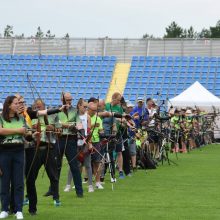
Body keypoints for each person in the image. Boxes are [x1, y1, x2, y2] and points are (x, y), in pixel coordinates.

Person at [45, 92, 83, 198]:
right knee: (56, 166)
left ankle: (79, 191)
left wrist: (79, 129)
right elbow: (52, 124)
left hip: (71, 141)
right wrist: (66, 125)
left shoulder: (75, 111)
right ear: (62, 100)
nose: (69, 102)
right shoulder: (57, 111)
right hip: (59, 139)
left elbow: (79, 124)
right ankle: (52, 190)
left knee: (74, 166)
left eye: (71, 100)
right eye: (67, 100)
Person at [0, 96, 30, 220]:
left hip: (19, 151)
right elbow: (0, 131)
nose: (19, 105)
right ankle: (4, 209)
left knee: (18, 182)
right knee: (4, 181)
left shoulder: (22, 117)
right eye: (16, 103)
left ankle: (18, 210)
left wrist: (28, 132)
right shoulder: (1, 118)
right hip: (4, 152)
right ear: (9, 105)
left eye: (19, 103)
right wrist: (18, 130)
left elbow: (26, 132)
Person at [87, 102, 104, 189]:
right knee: (84, 163)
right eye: (93, 110)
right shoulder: (84, 117)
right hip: (85, 141)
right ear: (88, 109)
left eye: (95, 110)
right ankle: (81, 181)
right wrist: (93, 125)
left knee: (97, 162)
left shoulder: (98, 119)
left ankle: (97, 182)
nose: (94, 112)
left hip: (96, 141)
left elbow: (101, 130)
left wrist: (102, 132)